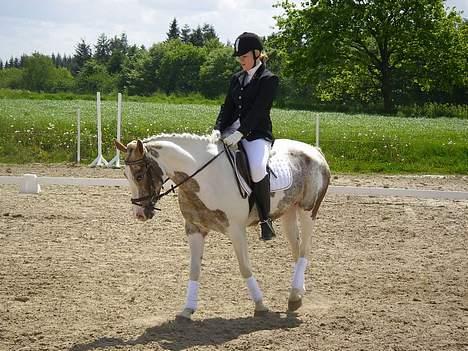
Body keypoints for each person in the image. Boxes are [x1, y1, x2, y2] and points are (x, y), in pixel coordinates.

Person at [212, 32, 279, 241]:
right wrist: (217, 128)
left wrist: (242, 133)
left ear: (257, 54)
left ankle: (265, 220)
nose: (241, 61)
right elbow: (227, 107)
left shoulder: (269, 79)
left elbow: (259, 110)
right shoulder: (237, 78)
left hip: (256, 134)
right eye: (239, 58)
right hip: (231, 132)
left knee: (258, 169)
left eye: (244, 57)